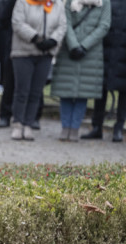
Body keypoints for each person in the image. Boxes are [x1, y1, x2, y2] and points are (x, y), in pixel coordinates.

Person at [51, 0, 111, 140]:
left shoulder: (104, 2)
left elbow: (104, 25)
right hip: (69, 50)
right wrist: (73, 46)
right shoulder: (69, 2)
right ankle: (65, 126)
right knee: (65, 90)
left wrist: (84, 46)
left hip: (91, 52)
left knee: (82, 92)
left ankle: (75, 128)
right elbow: (65, 21)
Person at [10, 0, 66, 140]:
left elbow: (62, 25)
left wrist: (53, 40)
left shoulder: (57, 4)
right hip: (23, 52)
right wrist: (35, 38)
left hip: (45, 54)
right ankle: (18, 124)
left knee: (36, 91)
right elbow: (17, 23)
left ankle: (28, 124)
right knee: (22, 90)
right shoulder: (23, 2)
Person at [80, 0, 124, 140]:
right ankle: (97, 126)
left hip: (123, 53)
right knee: (100, 90)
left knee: (123, 92)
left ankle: (118, 127)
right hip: (104, 51)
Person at [0, 0, 16, 126]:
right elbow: (4, 17)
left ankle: (30, 117)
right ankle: (5, 115)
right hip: (14, 41)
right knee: (9, 82)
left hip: (35, 45)